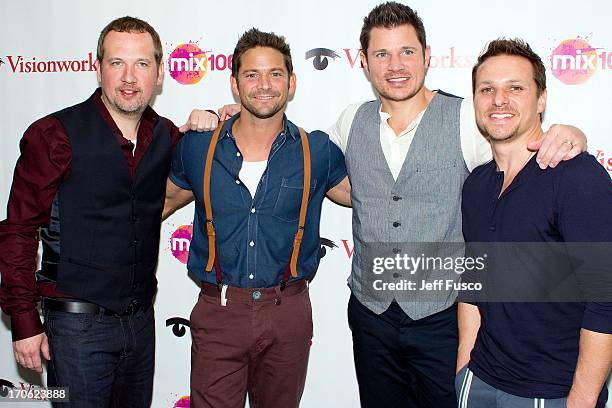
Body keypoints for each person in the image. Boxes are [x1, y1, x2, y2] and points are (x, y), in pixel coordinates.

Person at [193, 4, 588, 406]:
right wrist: (223, 116)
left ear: (427, 56)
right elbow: (289, 152)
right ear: (363, 62)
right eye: (382, 54)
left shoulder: (469, 117)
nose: (395, 65)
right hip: (371, 316)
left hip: (443, 316)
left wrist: (570, 134)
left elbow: (525, 147)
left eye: (407, 52)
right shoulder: (351, 121)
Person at [0, 16, 216, 407]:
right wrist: (24, 322)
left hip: (139, 324)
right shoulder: (54, 134)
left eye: (142, 64)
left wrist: (216, 118)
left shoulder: (166, 135)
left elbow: (197, 166)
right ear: (98, 68)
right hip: (75, 326)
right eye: (117, 63)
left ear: (161, 73)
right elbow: (18, 230)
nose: (129, 77)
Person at [163, 28, 350, 408]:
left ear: (291, 82)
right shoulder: (198, 147)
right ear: (235, 83)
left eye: (275, 74)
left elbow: (374, 199)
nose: (264, 85)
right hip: (219, 312)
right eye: (252, 74)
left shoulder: (318, 151)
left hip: (289, 313)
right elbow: (154, 206)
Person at [456, 38, 612, 408]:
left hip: (550, 391)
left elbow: (605, 300)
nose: (499, 100)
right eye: (487, 89)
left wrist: (582, 400)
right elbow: (474, 284)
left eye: (515, 88)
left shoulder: (576, 176)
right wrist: (464, 367)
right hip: (478, 381)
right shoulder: (476, 185)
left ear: (541, 99)